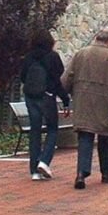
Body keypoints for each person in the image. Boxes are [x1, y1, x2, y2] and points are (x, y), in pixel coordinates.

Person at [62, 26, 108, 189]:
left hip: (83, 100)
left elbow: (67, 78)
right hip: (105, 102)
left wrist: (68, 94)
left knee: (85, 136)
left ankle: (81, 173)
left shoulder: (80, 54)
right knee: (105, 137)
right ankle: (106, 173)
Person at [20, 29, 71, 181]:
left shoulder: (28, 57)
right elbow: (58, 81)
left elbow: (23, 77)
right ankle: (44, 161)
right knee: (52, 129)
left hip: (31, 97)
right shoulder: (53, 57)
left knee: (35, 131)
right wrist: (65, 100)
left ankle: (34, 170)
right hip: (47, 96)